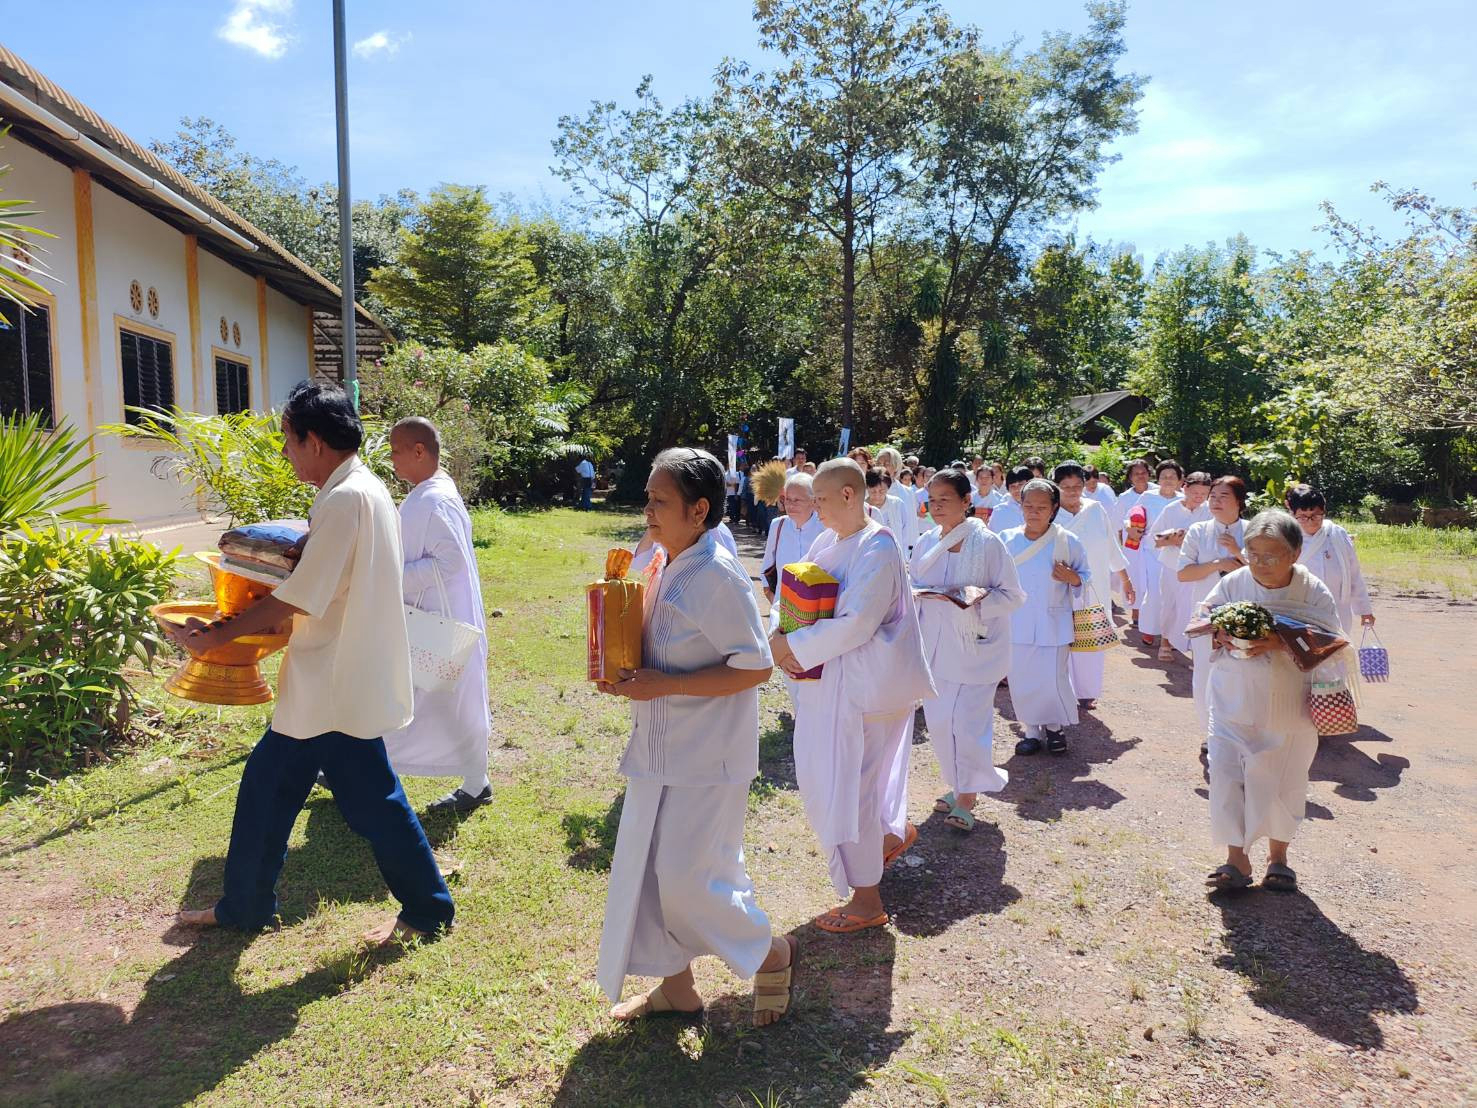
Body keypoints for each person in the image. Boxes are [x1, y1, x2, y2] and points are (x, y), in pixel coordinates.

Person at [171, 381, 454, 946]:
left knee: (369, 805)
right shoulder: (359, 489)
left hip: (335, 685)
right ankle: (247, 906)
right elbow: (323, 579)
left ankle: (427, 911)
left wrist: (216, 636)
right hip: (334, 678)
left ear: (316, 441)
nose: (285, 452)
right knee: (276, 791)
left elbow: (298, 596)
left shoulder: (348, 497)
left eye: (288, 441)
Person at [596, 448, 796, 1026]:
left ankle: (772, 953)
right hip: (660, 749)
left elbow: (756, 667)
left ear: (700, 509)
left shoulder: (716, 573)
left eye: (660, 501)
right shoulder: (666, 560)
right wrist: (623, 665)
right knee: (650, 874)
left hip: (707, 756)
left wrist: (663, 685)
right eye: (648, 498)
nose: (648, 510)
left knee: (689, 884)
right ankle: (677, 989)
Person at [769, 459, 934, 934]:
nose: (813, 508)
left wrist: (791, 646)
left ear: (847, 496)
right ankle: (889, 836)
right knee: (846, 779)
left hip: (866, 689)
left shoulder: (876, 547)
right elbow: (791, 587)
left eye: (819, 499)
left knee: (853, 788)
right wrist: (782, 629)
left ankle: (866, 901)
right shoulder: (828, 540)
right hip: (832, 681)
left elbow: (859, 623)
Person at [1200, 510, 1342, 894]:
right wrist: (1221, 633)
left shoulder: (1313, 592)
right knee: (1226, 775)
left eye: (1271, 555)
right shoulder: (1235, 582)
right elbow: (1204, 616)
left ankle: (1278, 858)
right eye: (1252, 553)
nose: (1259, 563)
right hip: (1232, 697)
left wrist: (1282, 640)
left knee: (1286, 779)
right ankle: (1235, 859)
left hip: (1290, 706)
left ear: (1295, 553)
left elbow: (1333, 643)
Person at [383, 417, 492, 813]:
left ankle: (476, 782)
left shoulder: (434, 498)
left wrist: (390, 577)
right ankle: (365, 768)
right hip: (426, 616)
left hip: (439, 621)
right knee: (407, 698)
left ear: (419, 451)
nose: (392, 460)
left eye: (397, 451)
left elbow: (450, 563)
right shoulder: (428, 493)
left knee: (451, 702)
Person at [910, 468, 1026, 831]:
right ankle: (958, 784)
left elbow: (1012, 595)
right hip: (935, 648)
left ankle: (968, 798)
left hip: (976, 649)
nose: (937, 506)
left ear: (966, 502)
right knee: (941, 724)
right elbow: (912, 585)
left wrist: (975, 601)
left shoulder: (988, 544)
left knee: (969, 725)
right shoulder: (927, 540)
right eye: (932, 500)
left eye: (946, 499)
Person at [1000, 479, 1091, 755]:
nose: (1034, 512)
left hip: (1054, 623)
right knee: (1021, 679)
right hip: (1016, 624)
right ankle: (1030, 731)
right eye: (1028, 506)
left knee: (1053, 679)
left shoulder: (1067, 540)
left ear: (1053, 508)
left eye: (1041, 507)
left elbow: (1086, 579)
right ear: (1021, 506)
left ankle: (1054, 728)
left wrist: (1073, 578)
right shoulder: (1006, 540)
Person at [1052, 462, 1133, 710]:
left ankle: (1087, 692)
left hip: (1093, 586)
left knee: (1090, 640)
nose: (1073, 491)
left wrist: (1125, 579)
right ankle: (1060, 688)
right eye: (1066, 487)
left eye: (1077, 486)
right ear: (1056, 486)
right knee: (1060, 639)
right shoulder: (1050, 513)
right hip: (1058, 586)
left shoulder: (1095, 509)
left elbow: (1111, 546)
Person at [1177, 476, 1249, 734]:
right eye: (1213, 496)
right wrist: (1218, 564)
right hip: (1206, 613)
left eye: (1223, 496)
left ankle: (1238, 731)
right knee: (1205, 673)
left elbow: (1266, 570)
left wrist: (1238, 551)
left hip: (1246, 613)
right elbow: (1183, 573)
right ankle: (1210, 733)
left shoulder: (1253, 531)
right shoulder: (1198, 531)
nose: (1216, 502)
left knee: (1244, 673)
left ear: (1239, 502)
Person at [1286, 484, 1375, 637]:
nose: (1310, 521)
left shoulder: (1337, 534)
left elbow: (1353, 573)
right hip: (1301, 610)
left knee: (1337, 654)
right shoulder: (1286, 537)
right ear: (1293, 514)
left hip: (1338, 609)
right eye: (1303, 517)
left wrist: (1364, 610)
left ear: (1324, 512)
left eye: (1316, 515)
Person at [1152, 470, 1212, 662]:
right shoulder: (1171, 510)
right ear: (1184, 487)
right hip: (1172, 566)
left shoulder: (1210, 510)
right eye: (1195, 493)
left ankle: (1196, 650)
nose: (1199, 498)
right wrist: (1172, 539)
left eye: (1204, 494)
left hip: (1199, 568)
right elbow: (1153, 539)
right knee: (1170, 605)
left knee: (1197, 608)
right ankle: (1166, 642)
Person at [1130, 460, 1184, 649]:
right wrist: (1130, 528)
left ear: (1180, 480)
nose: (1168, 480)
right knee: (1153, 590)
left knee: (1174, 593)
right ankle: (1149, 629)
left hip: (1177, 552)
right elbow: (1131, 517)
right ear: (1158, 479)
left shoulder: (1184, 499)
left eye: (1172, 477)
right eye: (1164, 477)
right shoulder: (1147, 496)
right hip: (1152, 550)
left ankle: (1171, 634)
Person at [1117, 459, 1154, 624]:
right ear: (1130, 477)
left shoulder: (1157, 492)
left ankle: (1153, 614)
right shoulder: (1125, 497)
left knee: (1152, 576)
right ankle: (1136, 612)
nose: (1140, 476)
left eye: (1143, 473)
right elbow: (1119, 522)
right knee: (1135, 576)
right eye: (1136, 474)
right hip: (1132, 544)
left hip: (1153, 543)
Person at [986, 465, 1031, 535]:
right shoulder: (999, 512)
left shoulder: (1041, 508)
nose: (1017, 489)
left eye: (1020, 484)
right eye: (1013, 486)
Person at [1084, 465, 1120, 531]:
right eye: (1088, 483)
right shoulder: (1081, 494)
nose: (1092, 485)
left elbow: (1116, 508)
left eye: (1094, 482)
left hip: (1111, 529)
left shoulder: (1106, 489)